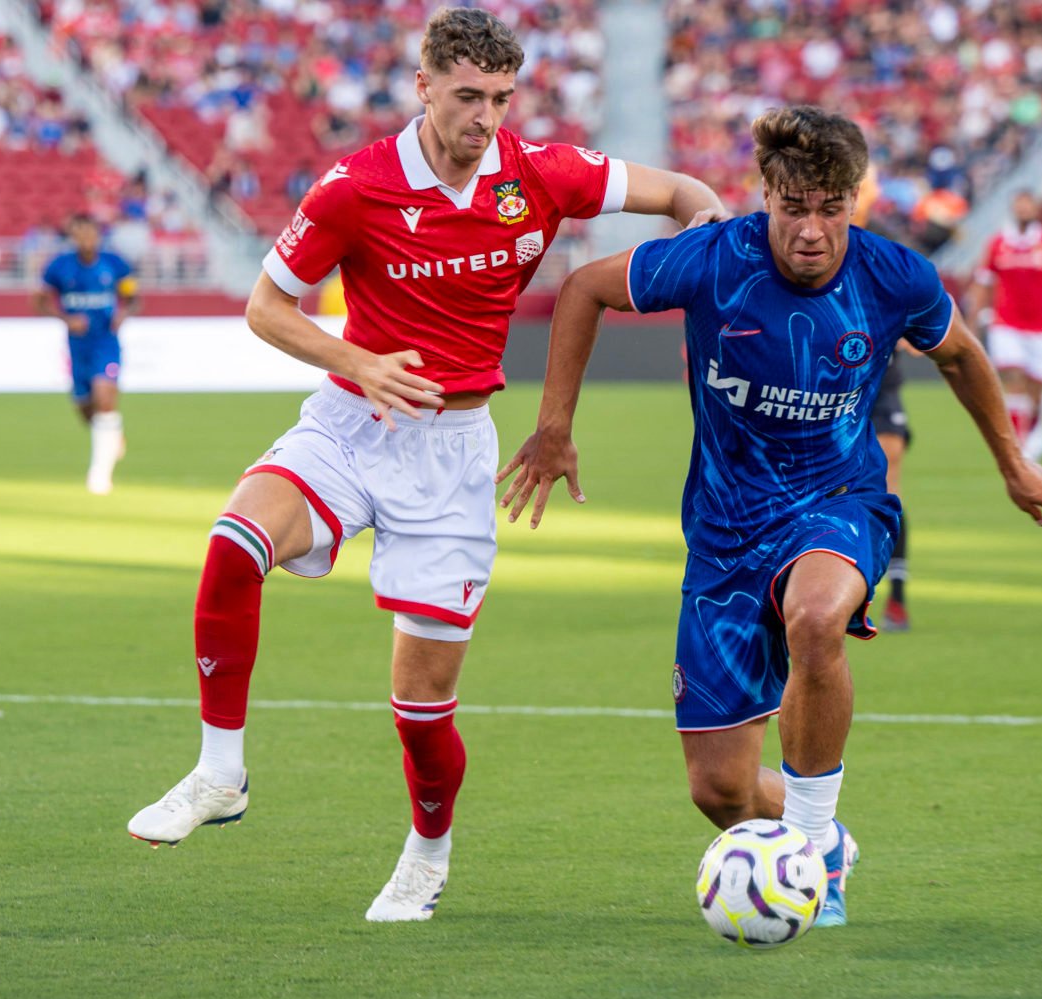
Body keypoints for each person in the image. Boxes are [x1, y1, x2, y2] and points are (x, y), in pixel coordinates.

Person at [124, 7, 725, 923]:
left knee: (421, 707)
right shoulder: (354, 187)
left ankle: (426, 855)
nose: (486, 116)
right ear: (424, 86)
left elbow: (683, 191)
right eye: (468, 95)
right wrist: (358, 362)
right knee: (233, 544)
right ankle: (219, 772)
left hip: (452, 456)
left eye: (501, 97)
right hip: (352, 423)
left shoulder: (542, 173)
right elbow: (266, 308)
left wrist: (707, 235)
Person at [497, 106, 1042, 927]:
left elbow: (961, 353)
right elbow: (585, 289)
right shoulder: (712, 261)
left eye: (830, 209)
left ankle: (810, 845)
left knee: (816, 616)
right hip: (725, 535)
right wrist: (554, 428)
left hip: (841, 503)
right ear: (765, 196)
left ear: (854, 202)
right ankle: (825, 836)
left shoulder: (894, 276)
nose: (810, 229)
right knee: (720, 789)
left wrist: (1013, 462)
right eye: (793, 207)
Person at [964, 190, 1042, 463]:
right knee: (1013, 379)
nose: (1023, 210)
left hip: (1041, 328)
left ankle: (1035, 434)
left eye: (1028, 205)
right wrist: (971, 323)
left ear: (1038, 210)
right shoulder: (998, 243)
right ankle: (1018, 446)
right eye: (1019, 205)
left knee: (1037, 390)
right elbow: (982, 284)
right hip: (1005, 324)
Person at [33, 212, 138, 494]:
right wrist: (66, 319)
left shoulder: (114, 263)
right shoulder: (59, 266)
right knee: (85, 407)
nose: (85, 239)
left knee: (105, 398)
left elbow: (132, 297)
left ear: (97, 234)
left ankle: (100, 474)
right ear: (73, 236)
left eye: (89, 233)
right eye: (79, 233)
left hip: (106, 341)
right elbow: (39, 301)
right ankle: (113, 437)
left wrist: (122, 314)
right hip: (77, 345)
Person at [851, 163, 912, 630]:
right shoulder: (813, 237)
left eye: (867, 183)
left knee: (888, 485)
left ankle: (896, 597)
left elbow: (915, 302)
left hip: (882, 384)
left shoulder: (887, 242)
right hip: (829, 386)